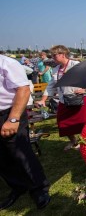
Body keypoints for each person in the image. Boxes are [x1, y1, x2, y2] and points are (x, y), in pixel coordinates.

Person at [0, 55, 50, 210]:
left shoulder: (6, 63)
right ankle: (18, 186)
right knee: (1, 156)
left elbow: (23, 89)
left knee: (20, 152)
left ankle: (39, 188)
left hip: (9, 112)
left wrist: (13, 119)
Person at [36, 45, 86, 151]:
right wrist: (43, 99)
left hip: (80, 99)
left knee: (84, 124)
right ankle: (73, 141)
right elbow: (51, 85)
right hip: (64, 100)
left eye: (54, 55)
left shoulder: (75, 65)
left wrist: (85, 89)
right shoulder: (55, 69)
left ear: (62, 54)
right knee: (63, 122)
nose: (52, 57)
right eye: (51, 55)